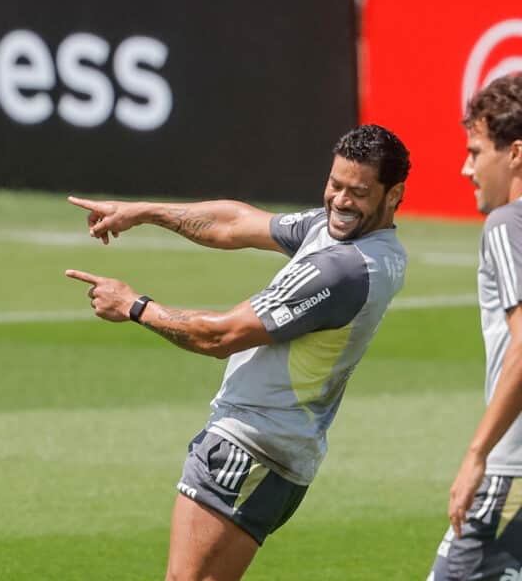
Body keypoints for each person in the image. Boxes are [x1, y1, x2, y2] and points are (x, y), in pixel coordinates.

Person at [65, 123, 410, 581]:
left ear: (394, 194)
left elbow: (219, 336)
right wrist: (142, 211)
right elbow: (235, 224)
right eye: (335, 184)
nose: (341, 202)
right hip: (278, 449)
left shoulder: (343, 269)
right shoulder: (348, 237)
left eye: (358, 192)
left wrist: (132, 306)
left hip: (250, 446)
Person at [428, 74, 522, 580]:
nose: (466, 168)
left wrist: (477, 454)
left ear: (516, 153)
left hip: (512, 469)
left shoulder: (507, 225)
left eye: (476, 151)